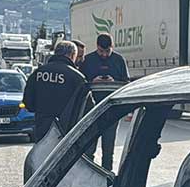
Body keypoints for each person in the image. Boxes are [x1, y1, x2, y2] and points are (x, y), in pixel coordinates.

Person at [80, 34, 130, 169]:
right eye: (101, 51)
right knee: (89, 149)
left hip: (112, 111)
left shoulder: (119, 60)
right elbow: (80, 84)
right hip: (91, 111)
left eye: (107, 51)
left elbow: (126, 84)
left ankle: (107, 178)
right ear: (97, 47)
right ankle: (88, 175)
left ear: (112, 47)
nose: (104, 55)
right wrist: (92, 81)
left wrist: (114, 82)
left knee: (108, 150)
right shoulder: (88, 60)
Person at [22, 40, 89, 142]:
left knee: (43, 155)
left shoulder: (38, 73)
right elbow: (86, 107)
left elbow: (28, 102)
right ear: (72, 55)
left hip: (42, 127)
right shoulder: (77, 77)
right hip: (67, 130)